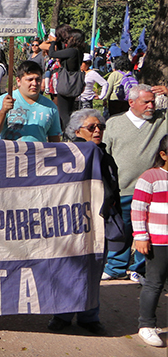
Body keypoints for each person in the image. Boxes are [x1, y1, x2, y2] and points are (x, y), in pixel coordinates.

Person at [46, 108, 121, 336]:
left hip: (99, 222)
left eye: (100, 127)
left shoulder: (104, 154)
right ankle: (63, 315)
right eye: (92, 127)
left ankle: (89, 317)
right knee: (68, 268)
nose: (97, 130)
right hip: (72, 222)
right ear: (77, 131)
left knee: (93, 269)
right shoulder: (68, 153)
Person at [103, 84, 168, 281]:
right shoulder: (114, 124)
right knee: (121, 230)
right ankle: (115, 267)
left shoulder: (161, 121)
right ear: (131, 103)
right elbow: (105, 154)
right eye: (145, 102)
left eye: (152, 101)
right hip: (123, 189)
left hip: (151, 190)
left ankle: (139, 269)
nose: (151, 106)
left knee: (146, 231)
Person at [132, 134, 168, 347]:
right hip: (158, 241)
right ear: (163, 155)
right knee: (155, 283)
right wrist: (141, 237)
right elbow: (138, 209)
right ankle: (146, 325)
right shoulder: (151, 177)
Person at [0, 61, 60, 142]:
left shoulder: (50, 107)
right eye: (30, 79)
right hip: (10, 153)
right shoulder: (4, 101)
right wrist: (3, 111)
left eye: (38, 79)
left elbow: (55, 140)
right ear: (18, 81)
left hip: (38, 153)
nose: (34, 83)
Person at [43, 25, 86, 128]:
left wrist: (53, 41)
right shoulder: (79, 51)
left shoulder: (71, 51)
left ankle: (68, 133)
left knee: (63, 113)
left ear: (74, 39)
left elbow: (52, 53)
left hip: (66, 83)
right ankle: (72, 131)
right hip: (74, 83)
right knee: (70, 110)